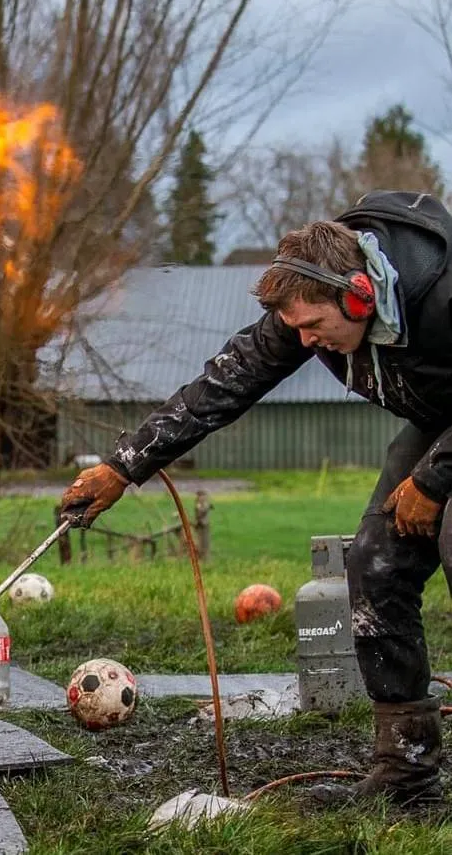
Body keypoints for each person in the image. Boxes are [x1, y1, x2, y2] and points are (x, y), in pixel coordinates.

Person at [59, 190, 452, 807]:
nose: (308, 343)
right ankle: (408, 777)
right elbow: (229, 380)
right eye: (297, 331)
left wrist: (432, 481)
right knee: (375, 565)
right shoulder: (312, 305)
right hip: (439, 424)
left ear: (359, 295)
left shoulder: (443, 295)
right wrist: (124, 465)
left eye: (315, 327)